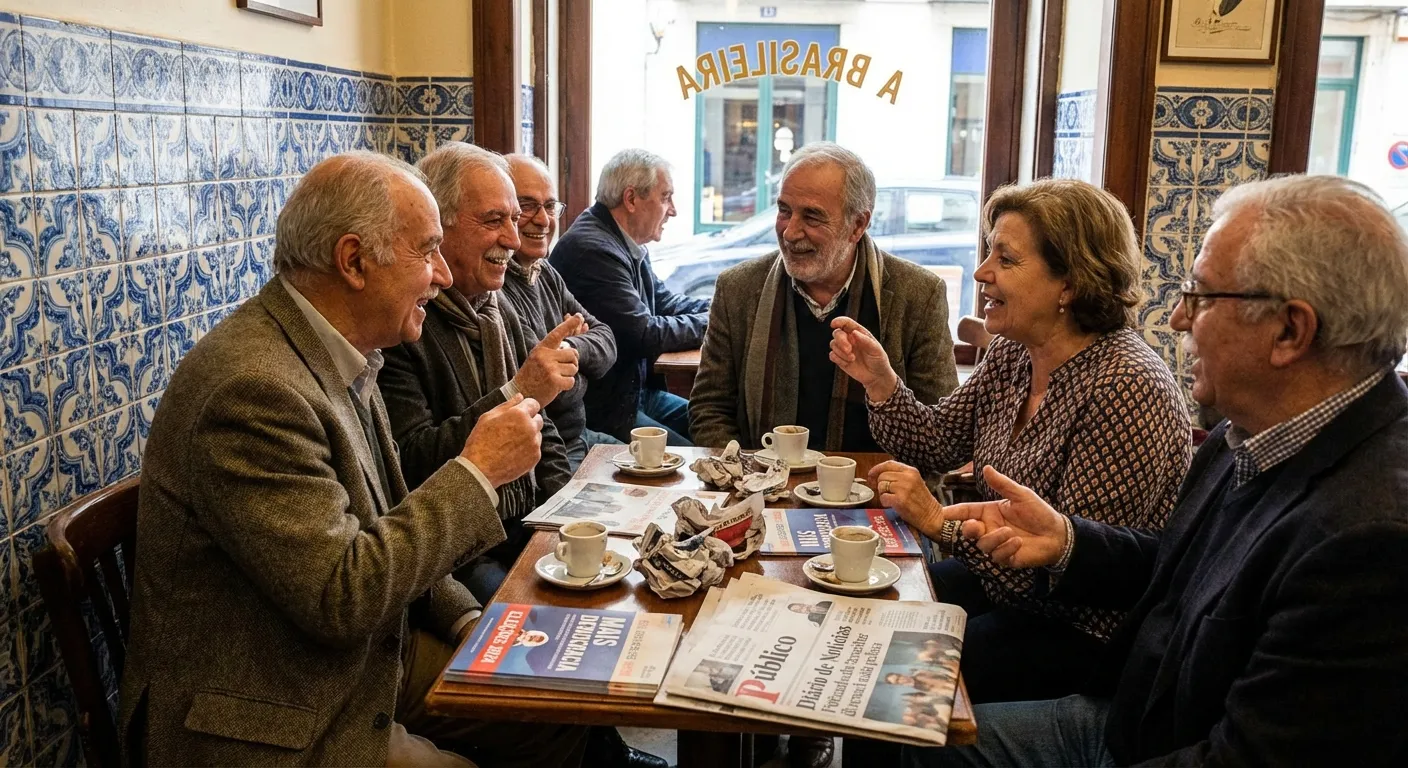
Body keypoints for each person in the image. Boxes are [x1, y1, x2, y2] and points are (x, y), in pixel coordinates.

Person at [905, 175, 1408, 767]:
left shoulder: (1372, 540)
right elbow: (1172, 567)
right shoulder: (1247, 431)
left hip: (1149, 740)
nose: (1175, 319)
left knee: (907, 729)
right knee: (895, 714)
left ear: (1289, 331)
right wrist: (1068, 542)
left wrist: (946, 526)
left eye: (1201, 296)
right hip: (1131, 711)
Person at [118, 152, 587, 766]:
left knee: (555, 702)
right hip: (279, 708)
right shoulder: (254, 390)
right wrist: (477, 472)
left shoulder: (345, 354)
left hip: (360, 654)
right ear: (354, 262)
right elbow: (341, 598)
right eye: (427, 251)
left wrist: (467, 620)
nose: (443, 274)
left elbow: (386, 519)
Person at [832, 178, 1192, 704]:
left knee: (890, 673)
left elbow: (1065, 571)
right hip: (1000, 585)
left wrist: (938, 523)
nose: (982, 272)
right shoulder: (1014, 351)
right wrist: (881, 383)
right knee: (863, 617)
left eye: (1005, 258)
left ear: (1069, 284)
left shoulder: (1127, 385)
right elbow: (937, 443)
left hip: (1083, 631)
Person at [381, 143, 577, 603]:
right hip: (460, 554)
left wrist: (566, 517)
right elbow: (410, 464)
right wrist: (517, 391)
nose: (514, 239)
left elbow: (540, 426)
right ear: (437, 227)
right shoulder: (400, 324)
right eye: (494, 221)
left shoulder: (496, 307)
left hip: (521, 524)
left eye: (514, 219)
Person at [690, 142, 959, 452]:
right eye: (784, 211)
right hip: (760, 480)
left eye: (812, 217)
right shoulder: (737, 289)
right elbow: (709, 409)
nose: (790, 232)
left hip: (873, 481)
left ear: (857, 225)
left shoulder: (918, 295)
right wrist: (742, 470)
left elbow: (940, 432)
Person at [550, 148, 710, 445]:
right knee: (696, 458)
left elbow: (665, 303)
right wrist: (715, 323)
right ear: (631, 199)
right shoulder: (594, 250)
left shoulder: (623, 239)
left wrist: (720, 308)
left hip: (636, 395)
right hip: (607, 410)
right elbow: (645, 334)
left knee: (718, 426)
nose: (673, 210)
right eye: (665, 197)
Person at [501, 153, 622, 470]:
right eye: (527, 206)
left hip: (582, 435)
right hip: (550, 452)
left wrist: (568, 347)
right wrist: (576, 367)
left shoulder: (544, 272)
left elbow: (608, 340)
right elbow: (560, 393)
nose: (543, 220)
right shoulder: (495, 287)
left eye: (550, 206)